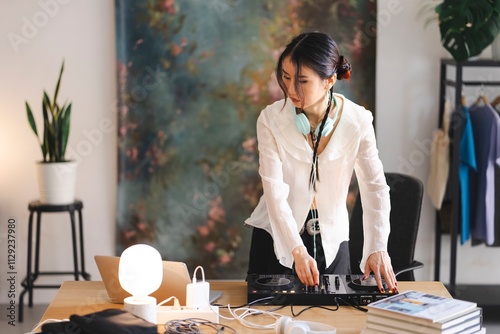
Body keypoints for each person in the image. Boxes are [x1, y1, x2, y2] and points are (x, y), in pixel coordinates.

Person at [245, 31, 397, 293]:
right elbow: (275, 193)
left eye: (302, 81)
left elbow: (375, 188)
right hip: (277, 237)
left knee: (334, 320)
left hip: (332, 239)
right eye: (286, 77)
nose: (291, 90)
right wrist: (296, 250)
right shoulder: (270, 119)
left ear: (329, 80)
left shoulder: (357, 121)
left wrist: (377, 247)